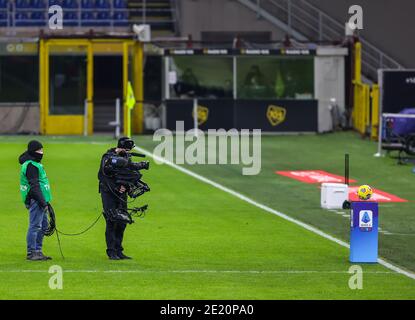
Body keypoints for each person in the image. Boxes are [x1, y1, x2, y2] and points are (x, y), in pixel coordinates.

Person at [98, 137, 135, 260]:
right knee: (112, 221)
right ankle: (111, 251)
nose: (129, 153)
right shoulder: (107, 158)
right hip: (109, 193)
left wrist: (126, 186)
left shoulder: (127, 158)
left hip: (121, 194)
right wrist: (116, 188)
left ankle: (119, 250)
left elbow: (129, 175)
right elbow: (103, 177)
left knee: (122, 222)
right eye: (127, 150)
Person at [19, 140, 52, 261]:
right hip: (36, 200)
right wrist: (43, 203)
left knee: (43, 225)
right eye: (39, 151)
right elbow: (34, 186)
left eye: (42, 150)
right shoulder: (31, 166)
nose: (41, 153)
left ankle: (38, 251)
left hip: (40, 199)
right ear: (33, 152)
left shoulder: (34, 164)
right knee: (35, 226)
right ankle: (31, 252)